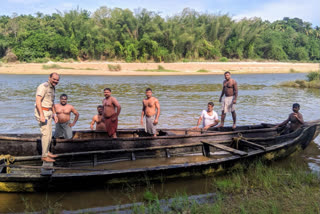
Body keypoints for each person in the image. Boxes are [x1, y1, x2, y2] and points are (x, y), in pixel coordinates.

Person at [34, 72, 59, 162]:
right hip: (42, 112)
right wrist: (41, 114)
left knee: (49, 135)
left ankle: (47, 152)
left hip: (48, 112)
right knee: (45, 134)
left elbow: (51, 102)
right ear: (49, 78)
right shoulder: (43, 86)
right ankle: (44, 156)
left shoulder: (52, 88)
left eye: (57, 80)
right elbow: (38, 101)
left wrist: (54, 114)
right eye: (54, 79)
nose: (55, 81)